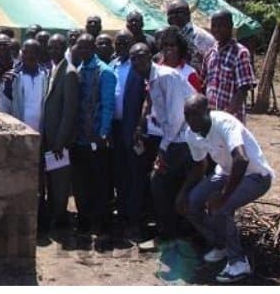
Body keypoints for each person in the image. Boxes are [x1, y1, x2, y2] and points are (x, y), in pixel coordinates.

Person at [179, 94, 274, 283]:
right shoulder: (191, 133)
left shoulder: (224, 123)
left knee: (222, 207)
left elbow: (241, 159)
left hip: (256, 176)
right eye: (187, 115)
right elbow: (200, 165)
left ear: (207, 112)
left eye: (195, 114)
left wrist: (222, 196)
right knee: (192, 203)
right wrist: (183, 192)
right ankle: (222, 244)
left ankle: (239, 262)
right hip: (225, 173)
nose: (190, 120)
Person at [129, 42, 196, 250]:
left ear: (150, 56)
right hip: (175, 138)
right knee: (169, 185)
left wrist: (163, 148)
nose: (137, 62)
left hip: (184, 139)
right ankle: (173, 232)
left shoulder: (166, 76)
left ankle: (167, 235)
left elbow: (176, 117)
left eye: (141, 56)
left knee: (158, 182)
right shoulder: (152, 79)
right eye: (133, 59)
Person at [71, 33, 116, 234]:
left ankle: (100, 221)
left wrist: (103, 132)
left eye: (86, 47)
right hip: (79, 138)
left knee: (99, 182)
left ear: (93, 48)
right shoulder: (78, 70)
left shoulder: (104, 72)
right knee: (81, 182)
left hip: (97, 138)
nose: (83, 51)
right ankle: (84, 219)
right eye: (80, 47)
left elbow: (108, 105)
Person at [39, 34, 79, 231]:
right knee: (52, 179)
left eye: (57, 48)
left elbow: (69, 111)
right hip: (49, 135)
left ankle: (60, 220)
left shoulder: (69, 73)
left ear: (64, 49)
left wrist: (60, 141)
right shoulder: (52, 69)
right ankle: (54, 215)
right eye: (50, 48)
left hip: (59, 139)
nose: (53, 51)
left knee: (60, 181)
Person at [108, 30, 146, 235]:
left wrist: (139, 126)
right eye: (118, 42)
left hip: (132, 127)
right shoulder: (112, 65)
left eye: (125, 42)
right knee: (118, 171)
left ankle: (134, 217)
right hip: (114, 127)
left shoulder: (138, 66)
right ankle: (121, 212)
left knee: (134, 172)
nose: (121, 46)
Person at [202, 10, 257, 124]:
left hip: (231, 119)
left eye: (221, 25)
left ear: (230, 27)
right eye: (214, 26)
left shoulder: (240, 52)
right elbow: (203, 83)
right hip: (211, 117)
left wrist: (227, 115)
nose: (217, 29)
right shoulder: (209, 53)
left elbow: (243, 88)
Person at [166, 0, 215, 71]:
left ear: (188, 14)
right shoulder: (167, 37)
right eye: (170, 13)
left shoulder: (202, 37)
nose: (173, 16)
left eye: (178, 12)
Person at [158, 26, 202, 92]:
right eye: (165, 45)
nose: (168, 48)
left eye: (172, 45)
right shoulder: (156, 71)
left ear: (180, 47)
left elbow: (198, 97)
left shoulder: (189, 73)